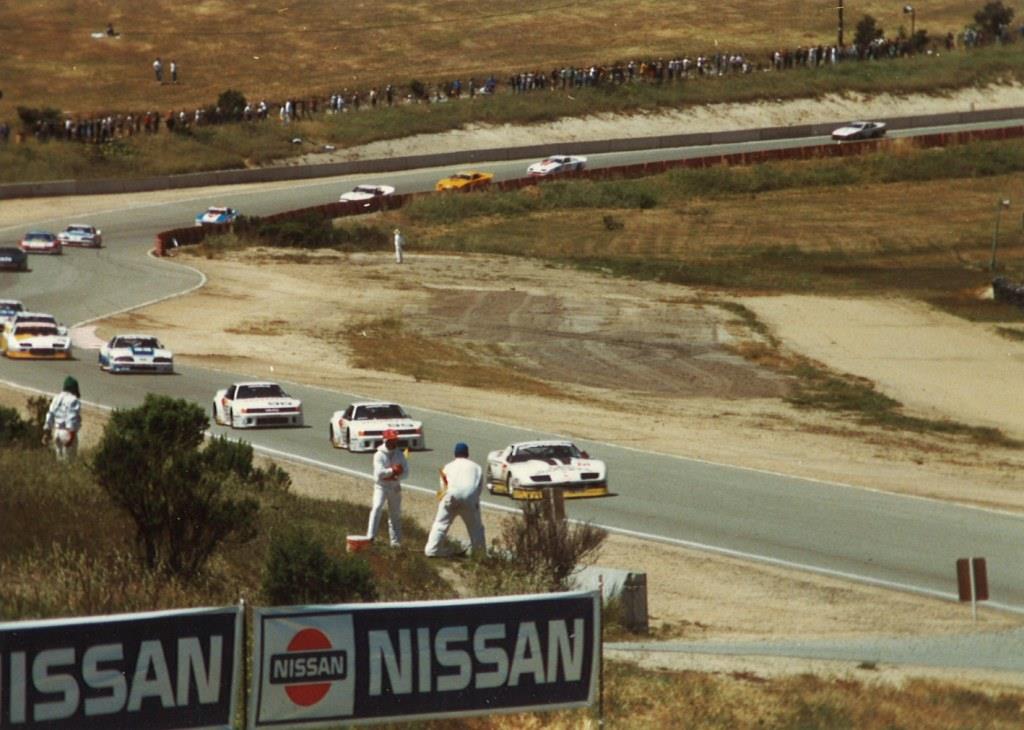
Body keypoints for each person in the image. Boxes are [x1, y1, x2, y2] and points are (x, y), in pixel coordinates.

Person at [425, 442, 486, 557]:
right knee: (476, 528)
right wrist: (474, 501)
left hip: (450, 496)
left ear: (455, 454)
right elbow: (479, 487)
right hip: (469, 498)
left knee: (440, 524)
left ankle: (432, 550)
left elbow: (443, 486)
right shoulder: (476, 467)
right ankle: (479, 555)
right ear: (467, 454)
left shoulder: (448, 466)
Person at [367, 429, 409, 547]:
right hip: (381, 486)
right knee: (376, 508)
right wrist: (393, 471)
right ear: (386, 440)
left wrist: (396, 475)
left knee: (395, 514)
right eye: (391, 440)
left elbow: (406, 472)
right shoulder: (379, 455)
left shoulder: (399, 454)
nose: (394, 442)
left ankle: (395, 542)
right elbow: (379, 473)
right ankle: (370, 536)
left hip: (395, 486)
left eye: (395, 440)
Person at [43, 376, 82, 461]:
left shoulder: (56, 398)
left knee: (59, 459)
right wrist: (71, 436)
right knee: (69, 460)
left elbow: (50, 414)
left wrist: (47, 431)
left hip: (56, 432)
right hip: (67, 432)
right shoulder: (73, 400)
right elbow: (71, 418)